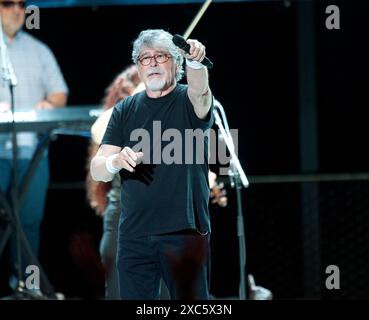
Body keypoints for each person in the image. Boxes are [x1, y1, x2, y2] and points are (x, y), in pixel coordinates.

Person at [90, 29, 214, 299]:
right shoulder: (125, 109)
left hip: (184, 233)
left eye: (161, 56)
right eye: (145, 58)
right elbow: (97, 169)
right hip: (134, 235)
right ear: (138, 67)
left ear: (176, 63)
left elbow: (201, 92)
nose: (153, 63)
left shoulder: (187, 101)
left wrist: (195, 61)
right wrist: (115, 160)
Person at [0, 0, 68, 289]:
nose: (17, 10)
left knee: (28, 224)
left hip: (33, 153)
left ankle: (29, 287)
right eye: (7, 4)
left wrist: (46, 105)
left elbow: (59, 94)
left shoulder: (39, 50)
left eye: (21, 4)